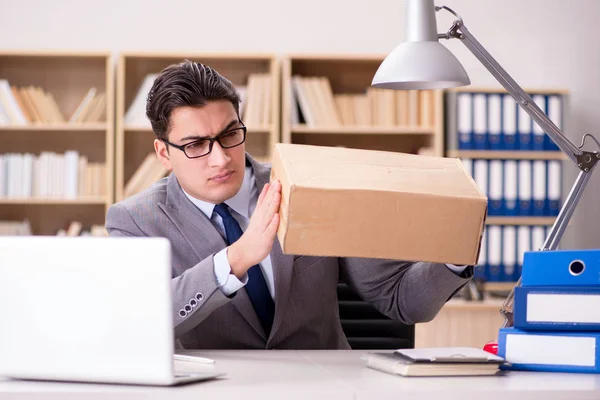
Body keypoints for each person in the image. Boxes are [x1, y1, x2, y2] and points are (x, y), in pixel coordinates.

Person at [105, 60, 474, 350]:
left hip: (325, 385)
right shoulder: (136, 219)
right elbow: (141, 318)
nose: (220, 159)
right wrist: (235, 259)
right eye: (196, 144)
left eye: (230, 134)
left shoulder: (310, 185)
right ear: (163, 153)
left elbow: (402, 301)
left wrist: (455, 251)